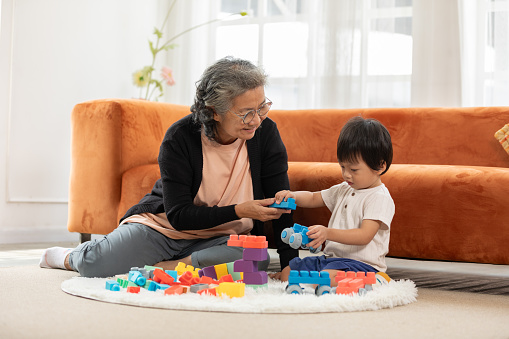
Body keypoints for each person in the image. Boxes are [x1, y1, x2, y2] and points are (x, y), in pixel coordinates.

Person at [40, 56, 298, 278]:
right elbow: (179, 215)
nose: (256, 120)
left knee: (256, 260)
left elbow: (281, 203)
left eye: (262, 107)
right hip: (163, 229)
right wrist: (240, 210)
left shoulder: (266, 134)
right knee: (94, 264)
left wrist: (289, 263)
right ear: (214, 112)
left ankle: (174, 266)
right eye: (245, 113)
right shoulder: (180, 137)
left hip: (221, 237)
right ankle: (70, 256)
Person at [271, 116, 395, 286]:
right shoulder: (344, 188)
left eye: (354, 169)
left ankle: (376, 280)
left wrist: (327, 233)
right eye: (342, 167)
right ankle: (307, 281)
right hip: (331, 260)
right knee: (288, 271)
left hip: (362, 265)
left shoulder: (379, 197)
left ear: (380, 166)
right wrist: (293, 195)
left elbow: (364, 236)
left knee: (327, 276)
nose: (346, 174)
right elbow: (314, 197)